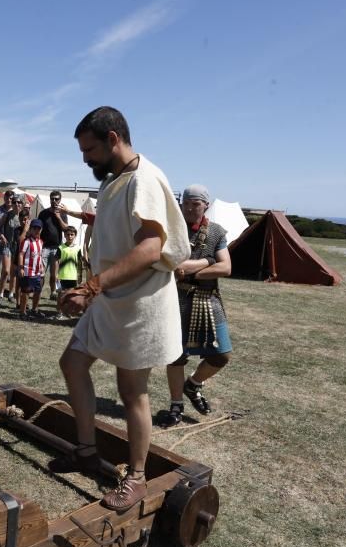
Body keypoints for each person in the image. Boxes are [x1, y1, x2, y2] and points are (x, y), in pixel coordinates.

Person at [52, 106, 190, 513]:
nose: (85, 158)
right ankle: (85, 451)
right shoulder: (116, 181)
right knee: (73, 364)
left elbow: (150, 248)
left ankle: (137, 477)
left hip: (140, 302)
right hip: (109, 298)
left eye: (90, 149)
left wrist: (92, 286)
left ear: (114, 138)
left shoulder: (145, 178)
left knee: (132, 393)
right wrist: (90, 289)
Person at [161, 185, 233, 426]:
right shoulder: (172, 230)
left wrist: (196, 269)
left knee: (222, 354)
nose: (190, 208)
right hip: (176, 300)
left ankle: (192, 385)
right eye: (186, 204)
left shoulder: (216, 232)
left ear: (206, 205)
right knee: (175, 356)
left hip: (207, 300)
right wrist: (209, 260)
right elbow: (170, 263)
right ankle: (176, 404)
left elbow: (226, 267)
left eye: (196, 204)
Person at [37, 190, 71, 300]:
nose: (54, 201)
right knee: (41, 273)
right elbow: (38, 229)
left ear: (60, 200)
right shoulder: (43, 213)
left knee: (54, 274)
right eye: (52, 198)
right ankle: (38, 291)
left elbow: (66, 228)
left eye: (57, 199)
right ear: (50, 199)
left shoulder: (62, 213)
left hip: (56, 248)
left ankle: (53, 292)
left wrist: (58, 216)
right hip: (44, 247)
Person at [17, 218, 45, 319]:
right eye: (34, 228)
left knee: (38, 291)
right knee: (26, 292)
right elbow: (21, 254)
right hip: (27, 271)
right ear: (30, 229)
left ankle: (34, 309)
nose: (36, 230)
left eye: (38, 228)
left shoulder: (41, 242)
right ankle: (22, 312)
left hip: (37, 272)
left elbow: (39, 256)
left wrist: (41, 266)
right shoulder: (26, 241)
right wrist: (20, 268)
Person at [54, 225, 84, 318]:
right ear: (64, 236)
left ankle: (68, 312)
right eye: (68, 235)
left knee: (71, 296)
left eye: (72, 234)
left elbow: (79, 262)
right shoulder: (61, 248)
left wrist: (80, 275)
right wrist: (55, 274)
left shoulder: (78, 248)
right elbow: (56, 261)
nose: (70, 236)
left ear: (75, 236)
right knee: (61, 295)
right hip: (62, 276)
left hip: (73, 276)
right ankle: (59, 313)